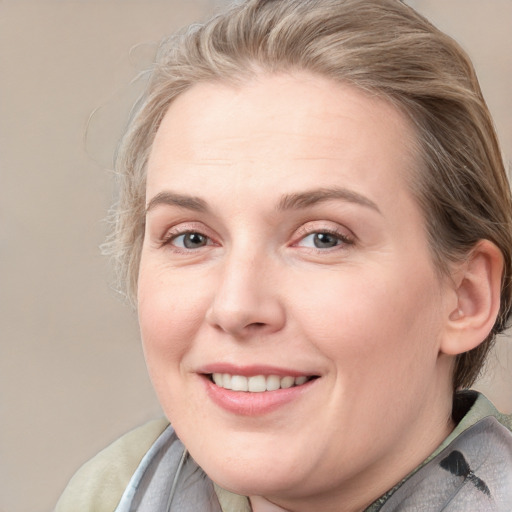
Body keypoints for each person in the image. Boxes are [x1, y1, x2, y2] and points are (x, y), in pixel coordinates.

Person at [55, 0, 512, 510]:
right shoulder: (109, 494)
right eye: (191, 238)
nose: (236, 307)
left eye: (323, 238)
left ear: (466, 298)